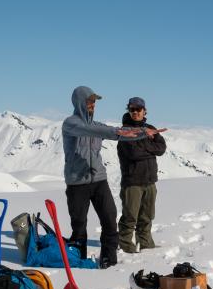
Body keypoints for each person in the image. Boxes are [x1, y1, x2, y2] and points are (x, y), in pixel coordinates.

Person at [62, 86, 163, 268]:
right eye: (89, 101)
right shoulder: (71, 124)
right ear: (79, 102)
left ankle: (109, 261)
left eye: (94, 101)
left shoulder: (97, 126)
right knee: (79, 224)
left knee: (110, 218)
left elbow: (121, 135)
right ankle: (79, 259)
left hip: (99, 180)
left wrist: (142, 133)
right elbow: (93, 131)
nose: (92, 104)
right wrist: (117, 132)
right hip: (78, 183)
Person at [117, 97, 166, 253]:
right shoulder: (125, 131)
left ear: (145, 111)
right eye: (132, 109)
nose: (136, 112)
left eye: (138, 109)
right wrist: (147, 141)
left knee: (147, 216)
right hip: (132, 182)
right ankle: (125, 246)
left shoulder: (150, 127)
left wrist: (144, 143)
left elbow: (161, 148)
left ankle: (146, 245)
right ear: (129, 110)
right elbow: (133, 153)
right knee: (130, 216)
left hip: (150, 181)